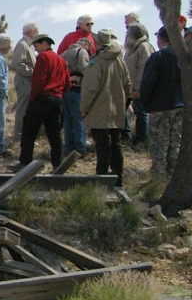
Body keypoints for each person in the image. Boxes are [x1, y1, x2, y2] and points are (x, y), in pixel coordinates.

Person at [80, 29, 132, 186]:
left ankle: (101, 179)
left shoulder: (96, 62)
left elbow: (90, 88)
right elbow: (128, 85)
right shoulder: (120, 61)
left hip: (99, 110)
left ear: (98, 43)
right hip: (116, 110)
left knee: (103, 146)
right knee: (116, 145)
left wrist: (84, 108)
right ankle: (118, 178)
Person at [16, 34, 70, 168]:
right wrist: (59, 94)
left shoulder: (43, 57)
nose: (36, 49)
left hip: (42, 97)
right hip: (56, 99)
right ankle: (58, 164)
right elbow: (68, 82)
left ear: (45, 43)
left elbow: (38, 79)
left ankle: (25, 162)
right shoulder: (60, 59)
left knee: (29, 130)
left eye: (37, 45)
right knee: (55, 134)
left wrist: (33, 97)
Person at [139, 27, 183, 178]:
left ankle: (159, 180)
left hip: (160, 107)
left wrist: (144, 103)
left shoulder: (158, 57)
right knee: (174, 143)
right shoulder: (185, 58)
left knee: (159, 144)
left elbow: (148, 83)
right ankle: (173, 176)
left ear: (162, 39)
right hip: (180, 106)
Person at [123, 23, 155, 147]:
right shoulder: (131, 48)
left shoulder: (144, 47)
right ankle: (126, 135)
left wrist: (138, 88)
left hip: (138, 87)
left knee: (141, 113)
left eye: (128, 34)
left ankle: (142, 140)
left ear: (133, 35)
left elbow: (144, 69)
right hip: (129, 87)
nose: (126, 36)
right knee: (122, 112)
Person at [60, 37, 91, 157]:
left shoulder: (63, 54)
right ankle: (80, 149)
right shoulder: (81, 52)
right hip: (77, 89)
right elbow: (85, 69)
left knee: (68, 121)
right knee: (79, 120)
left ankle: (68, 147)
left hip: (64, 90)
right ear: (85, 45)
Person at [10, 22, 39, 147]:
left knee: (27, 109)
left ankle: (24, 135)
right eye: (36, 30)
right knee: (23, 108)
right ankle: (19, 136)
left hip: (27, 81)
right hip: (24, 81)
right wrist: (34, 72)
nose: (38, 32)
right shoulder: (23, 45)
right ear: (31, 31)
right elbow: (17, 64)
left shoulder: (28, 45)